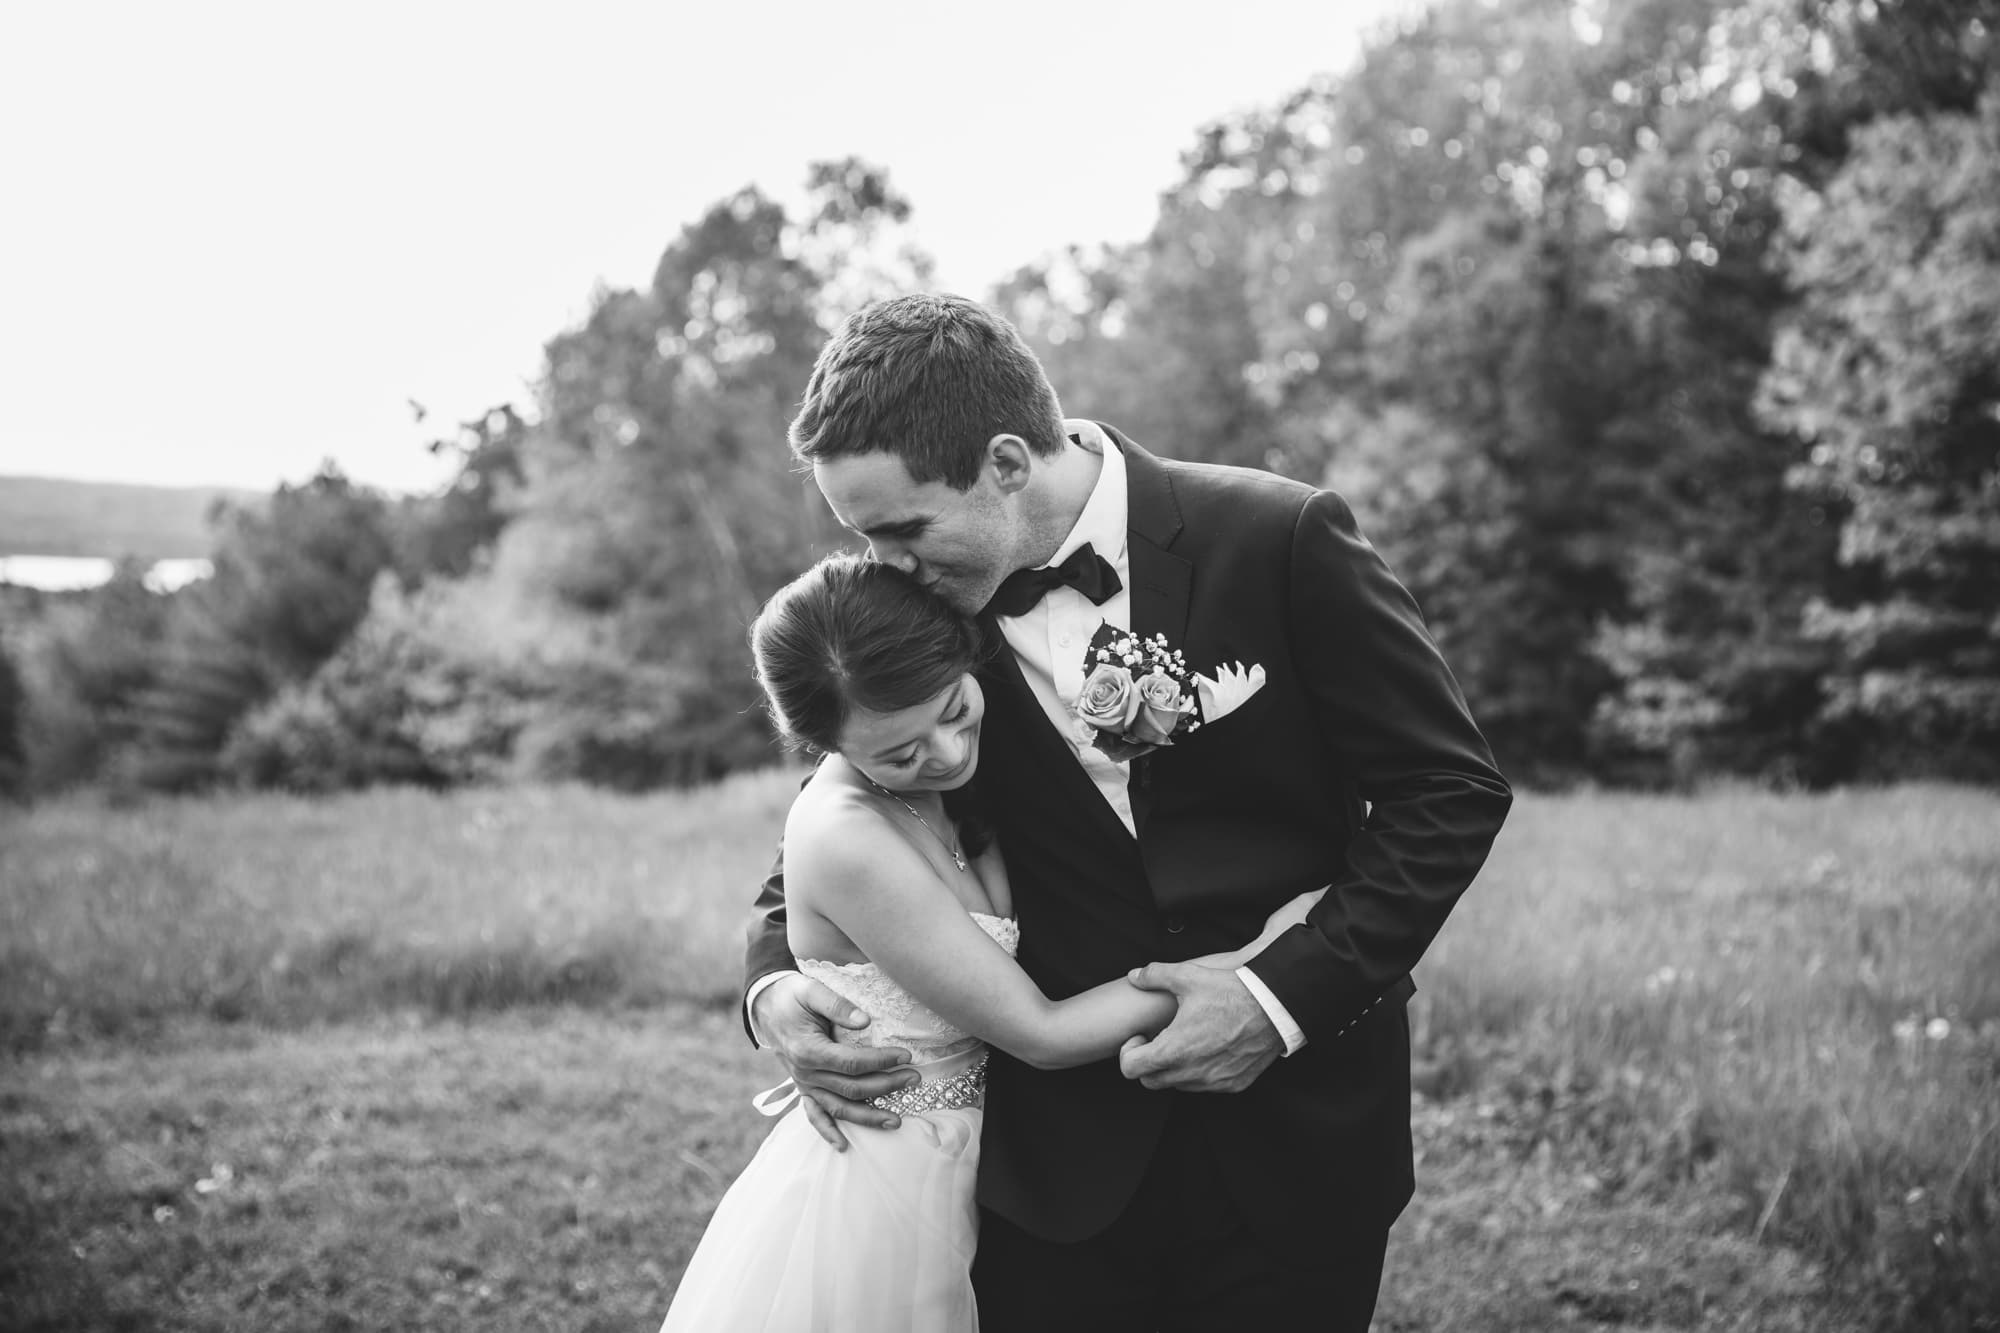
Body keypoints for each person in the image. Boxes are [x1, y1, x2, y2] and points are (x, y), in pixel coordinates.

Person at [742, 293, 1513, 1331]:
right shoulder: (928, 603)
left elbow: (1447, 791)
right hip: (1052, 1166)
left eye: (901, 529)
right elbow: (835, 818)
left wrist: (1274, 997)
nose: (888, 568)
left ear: (1006, 463)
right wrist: (775, 988)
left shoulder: (1277, 536)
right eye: (865, 540)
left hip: (1299, 1135)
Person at [662, 555, 1322, 1331]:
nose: (944, 756)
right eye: (900, 754)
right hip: (889, 1178)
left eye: (951, 710)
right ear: (826, 747)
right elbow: (1038, 1031)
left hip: (998, 1156)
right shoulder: (847, 831)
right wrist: (1269, 959)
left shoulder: (969, 717)